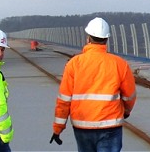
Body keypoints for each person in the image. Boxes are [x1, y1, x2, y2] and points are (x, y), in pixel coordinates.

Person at [50, 17, 137, 152]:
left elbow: (64, 100)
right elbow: (129, 96)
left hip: (82, 126)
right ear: (106, 39)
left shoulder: (74, 63)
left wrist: (58, 128)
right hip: (110, 125)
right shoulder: (119, 64)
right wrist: (125, 112)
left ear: (88, 38)